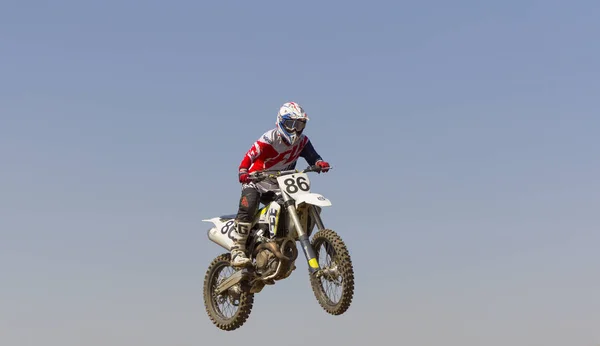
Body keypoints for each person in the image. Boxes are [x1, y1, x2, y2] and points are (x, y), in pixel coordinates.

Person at [230, 101, 330, 267]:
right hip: (257, 181)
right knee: (249, 207)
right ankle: (237, 249)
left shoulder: (303, 141)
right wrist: (243, 171)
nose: (295, 129)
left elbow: (313, 156)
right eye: (291, 124)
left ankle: (279, 243)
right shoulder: (269, 138)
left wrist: (319, 163)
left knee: (289, 210)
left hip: (280, 185)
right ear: (281, 122)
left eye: (299, 124)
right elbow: (249, 156)